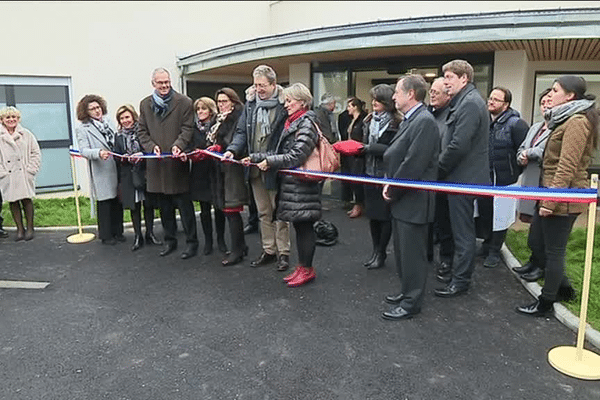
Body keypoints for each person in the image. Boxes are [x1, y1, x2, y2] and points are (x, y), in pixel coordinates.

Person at [516, 75, 599, 316]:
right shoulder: (563, 120)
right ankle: (564, 289)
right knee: (537, 243)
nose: (549, 95)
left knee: (554, 252)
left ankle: (546, 303)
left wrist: (550, 201)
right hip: (551, 191)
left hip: (563, 197)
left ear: (570, 96)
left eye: (555, 90)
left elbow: (567, 165)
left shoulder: (576, 122)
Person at [243, 83, 321, 287]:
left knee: (305, 228)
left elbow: (296, 156)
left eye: (289, 101)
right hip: (293, 186)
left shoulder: (306, 123)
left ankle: (307, 269)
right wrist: (254, 157)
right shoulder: (293, 122)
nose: (285, 105)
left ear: (302, 102)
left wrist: (270, 162)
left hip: (303, 186)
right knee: (300, 227)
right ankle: (302, 266)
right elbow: (279, 151)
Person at [381, 74, 440, 320]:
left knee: (413, 254)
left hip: (413, 199)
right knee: (403, 252)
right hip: (404, 199)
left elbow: (413, 164)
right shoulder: (411, 119)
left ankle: (411, 302)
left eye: (397, 91)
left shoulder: (424, 122)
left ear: (411, 94)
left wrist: (392, 188)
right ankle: (406, 291)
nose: (394, 96)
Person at [224, 65, 290, 271]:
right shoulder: (251, 105)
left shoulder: (284, 105)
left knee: (279, 213)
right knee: (263, 212)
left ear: (273, 84)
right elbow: (242, 131)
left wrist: (268, 159)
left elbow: (284, 140)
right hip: (254, 168)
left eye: (262, 85)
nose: (258, 89)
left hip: (275, 168)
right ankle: (269, 250)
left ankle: (284, 253)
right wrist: (232, 150)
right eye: (255, 85)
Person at [435, 59, 490, 298]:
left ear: (464, 79)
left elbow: (458, 145)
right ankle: (458, 275)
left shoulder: (469, 103)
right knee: (460, 232)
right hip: (459, 177)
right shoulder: (466, 101)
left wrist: (437, 171)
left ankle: (460, 281)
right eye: (445, 77)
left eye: (449, 77)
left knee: (463, 233)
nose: (445, 82)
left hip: (462, 179)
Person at [137, 67, 198, 260]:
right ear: (153, 83)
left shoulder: (184, 102)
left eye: (167, 82)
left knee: (185, 207)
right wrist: (150, 147)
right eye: (160, 83)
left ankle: (191, 243)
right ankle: (170, 241)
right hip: (157, 166)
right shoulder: (145, 104)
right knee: (164, 208)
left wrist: (178, 145)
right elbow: (142, 131)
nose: (164, 86)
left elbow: (188, 128)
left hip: (176, 164)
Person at [477, 87, 529, 268]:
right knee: (485, 214)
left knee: (501, 217)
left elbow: (523, 153)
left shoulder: (516, 124)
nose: (491, 102)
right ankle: (487, 243)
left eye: (496, 100)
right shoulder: (484, 122)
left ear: (506, 105)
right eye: (490, 98)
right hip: (485, 178)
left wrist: (513, 173)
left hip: (505, 181)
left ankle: (495, 250)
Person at [512, 89, 552, 280]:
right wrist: (522, 155)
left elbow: (547, 152)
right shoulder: (535, 127)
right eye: (543, 102)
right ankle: (533, 261)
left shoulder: (558, 128)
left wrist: (530, 153)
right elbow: (522, 147)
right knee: (534, 229)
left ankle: (541, 266)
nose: (546, 105)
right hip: (530, 181)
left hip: (545, 184)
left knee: (542, 230)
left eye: (549, 102)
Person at [75, 95, 124, 245]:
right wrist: (97, 153)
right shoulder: (82, 129)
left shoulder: (109, 122)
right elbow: (83, 150)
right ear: (86, 112)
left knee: (117, 201)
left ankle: (118, 232)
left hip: (115, 166)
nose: (97, 111)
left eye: (98, 107)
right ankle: (106, 235)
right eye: (92, 109)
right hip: (101, 169)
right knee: (105, 203)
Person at [361, 84, 400, 269]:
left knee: (384, 217)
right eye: (373, 99)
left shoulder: (396, 122)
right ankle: (375, 250)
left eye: (377, 99)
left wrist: (369, 149)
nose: (374, 102)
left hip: (386, 175)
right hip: (369, 173)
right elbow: (363, 143)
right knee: (373, 216)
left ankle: (382, 252)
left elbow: (394, 150)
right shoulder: (368, 120)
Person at [113, 104, 162, 251]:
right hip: (129, 174)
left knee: (149, 204)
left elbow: (151, 148)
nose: (125, 120)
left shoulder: (143, 132)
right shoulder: (118, 136)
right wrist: (124, 158)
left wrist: (142, 155)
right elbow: (116, 155)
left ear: (133, 117)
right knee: (135, 207)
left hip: (145, 172)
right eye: (122, 118)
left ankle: (150, 234)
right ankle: (137, 236)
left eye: (127, 117)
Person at [210, 88, 249, 266]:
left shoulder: (238, 117)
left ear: (233, 101)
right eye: (219, 102)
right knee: (227, 210)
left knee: (232, 210)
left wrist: (222, 148)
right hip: (221, 168)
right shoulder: (218, 120)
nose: (221, 105)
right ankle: (240, 246)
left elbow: (239, 140)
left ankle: (237, 250)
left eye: (225, 101)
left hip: (234, 168)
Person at [189, 97, 228, 256]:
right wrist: (194, 154)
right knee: (204, 210)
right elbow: (189, 145)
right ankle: (208, 241)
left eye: (203, 109)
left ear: (211, 110)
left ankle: (221, 240)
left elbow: (225, 143)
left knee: (219, 208)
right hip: (199, 172)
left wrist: (216, 150)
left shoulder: (218, 125)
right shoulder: (193, 128)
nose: (200, 112)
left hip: (215, 170)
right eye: (198, 109)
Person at [0, 106, 42, 241]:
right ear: (2, 120)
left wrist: (31, 170)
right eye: (8, 117)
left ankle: (30, 227)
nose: (11, 119)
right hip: (8, 174)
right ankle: (19, 229)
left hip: (24, 172)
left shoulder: (26, 134)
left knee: (26, 199)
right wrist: (2, 172)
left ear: (18, 119)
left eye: (14, 117)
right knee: (13, 201)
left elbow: (36, 153)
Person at [428, 78, 454, 278]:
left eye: (436, 92)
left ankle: (447, 258)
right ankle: (427, 255)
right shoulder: (429, 114)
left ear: (448, 95)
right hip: (427, 177)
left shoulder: (451, 117)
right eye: (431, 91)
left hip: (444, 177)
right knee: (430, 219)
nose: (432, 95)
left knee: (445, 222)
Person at [345, 97, 368, 218]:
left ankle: (359, 205)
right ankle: (357, 204)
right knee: (353, 180)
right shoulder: (352, 120)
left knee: (358, 180)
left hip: (359, 155)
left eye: (349, 106)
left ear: (355, 107)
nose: (347, 109)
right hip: (350, 154)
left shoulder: (362, 120)